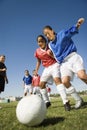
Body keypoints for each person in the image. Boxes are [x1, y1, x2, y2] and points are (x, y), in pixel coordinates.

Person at [43, 18, 86, 109]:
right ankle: (79, 100)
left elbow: (71, 31)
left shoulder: (62, 34)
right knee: (65, 82)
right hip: (64, 63)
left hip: (73, 57)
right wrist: (51, 55)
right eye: (45, 34)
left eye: (47, 33)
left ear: (52, 31)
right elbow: (57, 58)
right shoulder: (50, 45)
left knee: (82, 76)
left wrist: (78, 24)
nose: (47, 35)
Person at [34, 35, 71, 111]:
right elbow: (38, 61)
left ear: (45, 40)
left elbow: (58, 56)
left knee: (57, 80)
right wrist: (36, 70)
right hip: (46, 68)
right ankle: (47, 102)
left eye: (41, 40)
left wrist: (51, 55)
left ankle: (66, 102)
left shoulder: (51, 46)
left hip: (54, 64)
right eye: (39, 41)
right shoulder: (37, 51)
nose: (40, 42)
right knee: (41, 85)